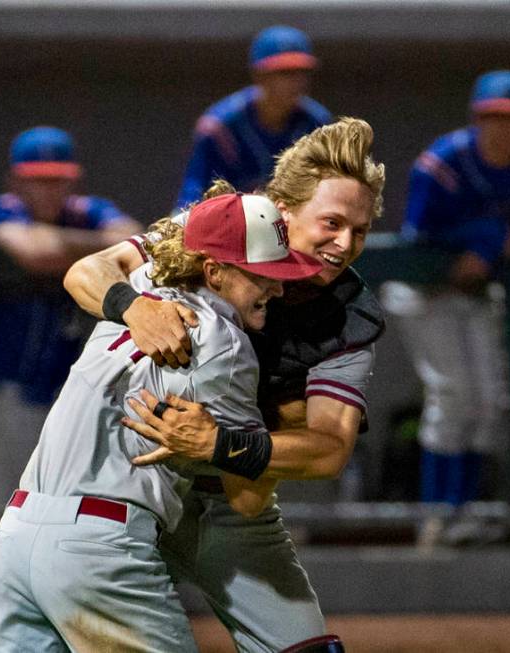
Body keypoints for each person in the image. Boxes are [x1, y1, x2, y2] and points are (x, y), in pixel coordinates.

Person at [64, 117, 384, 651]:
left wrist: (225, 443)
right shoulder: (220, 228)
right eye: (330, 222)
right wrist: (134, 307)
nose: (344, 243)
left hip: (231, 499)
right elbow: (86, 271)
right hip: (130, 484)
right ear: (282, 209)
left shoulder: (348, 316)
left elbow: (328, 451)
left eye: (361, 230)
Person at [0, 191, 325, 651]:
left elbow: (87, 272)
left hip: (14, 539)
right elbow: (247, 498)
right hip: (99, 549)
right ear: (214, 272)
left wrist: (129, 304)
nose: (277, 288)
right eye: (262, 274)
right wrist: (284, 401)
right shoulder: (227, 345)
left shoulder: (141, 291)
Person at [380, 70, 510, 548]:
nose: (504, 128)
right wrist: (482, 240)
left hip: (479, 294)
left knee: (490, 401)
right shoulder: (442, 162)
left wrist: (503, 244)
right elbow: (416, 240)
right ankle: (438, 515)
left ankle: (470, 511)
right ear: (478, 118)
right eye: (494, 117)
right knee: (453, 393)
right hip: (426, 292)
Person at [0, 126, 138, 555]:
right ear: (16, 181)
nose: (48, 189)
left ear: (73, 180)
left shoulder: (89, 212)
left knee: (47, 533)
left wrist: (66, 245)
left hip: (52, 401)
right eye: (37, 178)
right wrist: (92, 254)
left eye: (57, 179)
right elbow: (34, 253)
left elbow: (131, 240)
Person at [175, 24, 331, 209]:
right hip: (229, 226)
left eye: (301, 73)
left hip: (293, 226)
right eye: (285, 73)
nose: (296, 82)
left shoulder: (316, 124)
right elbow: (193, 197)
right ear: (260, 75)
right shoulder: (220, 127)